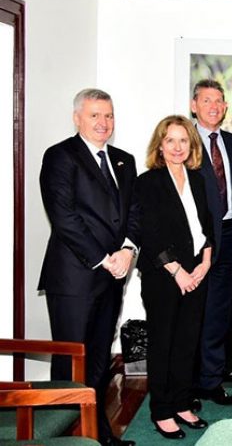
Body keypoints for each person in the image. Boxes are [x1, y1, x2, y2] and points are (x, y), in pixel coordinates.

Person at [39, 88, 139, 446]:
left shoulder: (125, 160)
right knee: (71, 364)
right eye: (95, 115)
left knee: (98, 362)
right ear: (77, 117)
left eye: (109, 115)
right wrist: (104, 258)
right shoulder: (60, 156)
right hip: (74, 278)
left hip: (113, 278)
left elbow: (133, 215)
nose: (103, 122)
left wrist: (128, 251)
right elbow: (64, 217)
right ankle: (60, 438)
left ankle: (97, 434)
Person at [136, 115, 214, 439]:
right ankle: (162, 411)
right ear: (160, 145)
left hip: (197, 271)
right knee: (163, 344)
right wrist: (177, 271)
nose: (178, 147)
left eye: (184, 140)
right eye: (171, 140)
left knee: (187, 343)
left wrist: (207, 260)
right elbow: (149, 234)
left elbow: (206, 224)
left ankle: (183, 404)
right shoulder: (148, 182)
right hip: (164, 276)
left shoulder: (196, 179)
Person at [191, 80, 232, 406]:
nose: (213, 106)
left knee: (218, 314)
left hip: (229, 238)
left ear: (225, 108)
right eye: (206, 100)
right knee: (191, 314)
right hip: (195, 240)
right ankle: (188, 386)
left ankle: (211, 383)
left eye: (219, 101)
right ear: (194, 105)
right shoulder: (183, 143)